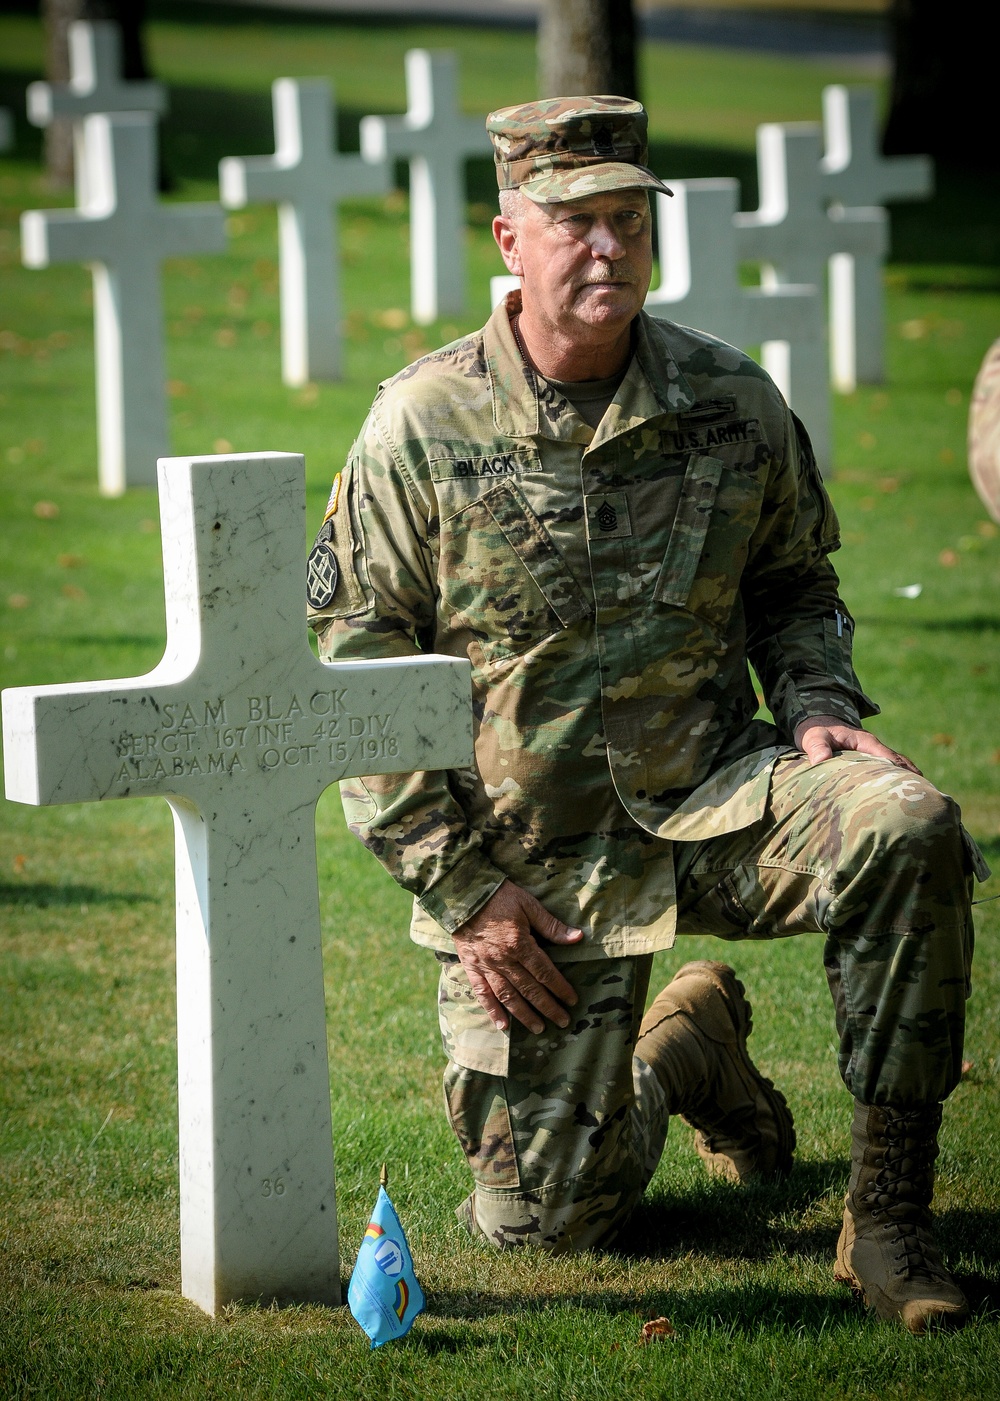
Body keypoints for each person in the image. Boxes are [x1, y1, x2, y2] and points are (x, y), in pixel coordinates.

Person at [307, 96, 987, 1333]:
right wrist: (461, 892)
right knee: (551, 1222)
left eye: (627, 218)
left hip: (718, 797)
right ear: (509, 238)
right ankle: (688, 1053)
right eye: (575, 223)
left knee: (908, 823)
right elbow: (357, 666)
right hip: (535, 867)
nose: (607, 246)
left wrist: (821, 703)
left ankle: (887, 1220)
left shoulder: (730, 400)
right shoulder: (421, 423)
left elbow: (796, 585)